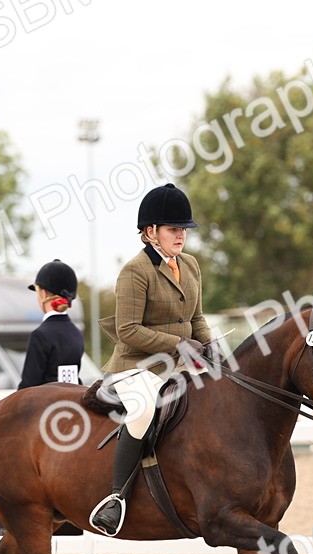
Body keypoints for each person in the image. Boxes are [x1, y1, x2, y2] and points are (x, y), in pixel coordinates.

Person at [89, 184, 212, 536]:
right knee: (144, 409)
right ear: (150, 232)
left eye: (183, 230)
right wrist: (179, 344)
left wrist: (211, 347)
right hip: (137, 366)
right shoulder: (135, 271)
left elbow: (197, 318)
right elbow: (128, 330)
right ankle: (116, 498)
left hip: (182, 361)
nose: (181, 236)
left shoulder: (189, 265)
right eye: (174, 229)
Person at [19, 259, 84, 389]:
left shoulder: (40, 335)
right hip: (73, 401)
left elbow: (28, 385)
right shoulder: (76, 333)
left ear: (43, 294)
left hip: (46, 405)